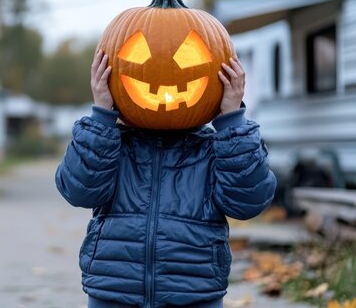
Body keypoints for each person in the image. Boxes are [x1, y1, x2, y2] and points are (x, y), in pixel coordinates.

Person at [55, 50, 277, 308]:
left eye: (187, 57)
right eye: (141, 55)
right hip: (114, 290)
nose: (165, 70)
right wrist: (102, 116)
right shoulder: (110, 143)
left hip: (195, 293)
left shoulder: (215, 148)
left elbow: (248, 202)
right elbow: (78, 191)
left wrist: (232, 122)